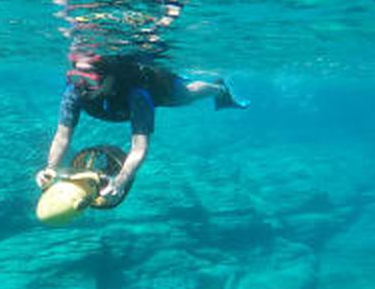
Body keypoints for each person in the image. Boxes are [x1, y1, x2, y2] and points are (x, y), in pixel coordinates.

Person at [35, 50, 248, 202]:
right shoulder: (74, 91)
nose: (81, 87)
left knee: (187, 94)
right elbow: (62, 137)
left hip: (159, 92)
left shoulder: (137, 94)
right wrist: (50, 168)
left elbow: (139, 148)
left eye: (89, 81)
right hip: (113, 108)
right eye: (76, 78)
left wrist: (121, 180)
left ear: (110, 78)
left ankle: (220, 90)